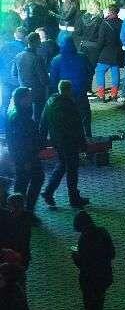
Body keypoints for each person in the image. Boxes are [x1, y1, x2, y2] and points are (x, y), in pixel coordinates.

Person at [40, 79, 89, 208]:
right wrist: (83, 143)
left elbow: (43, 122)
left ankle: (49, 191)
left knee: (62, 165)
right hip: (70, 142)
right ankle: (73, 198)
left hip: (57, 141)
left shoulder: (50, 102)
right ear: (69, 90)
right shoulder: (69, 104)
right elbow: (77, 126)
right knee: (72, 170)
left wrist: (43, 140)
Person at [6, 88, 44, 216]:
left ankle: (21, 210)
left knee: (23, 181)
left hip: (24, 156)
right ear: (22, 99)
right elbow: (22, 141)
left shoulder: (17, 114)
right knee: (28, 181)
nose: (31, 98)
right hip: (27, 157)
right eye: (28, 96)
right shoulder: (21, 118)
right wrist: (26, 160)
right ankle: (25, 211)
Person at [71, 211, 115, 310]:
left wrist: (75, 257)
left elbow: (83, 264)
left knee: (89, 303)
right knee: (100, 298)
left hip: (89, 279)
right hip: (105, 275)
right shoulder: (103, 231)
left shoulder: (83, 239)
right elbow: (112, 254)